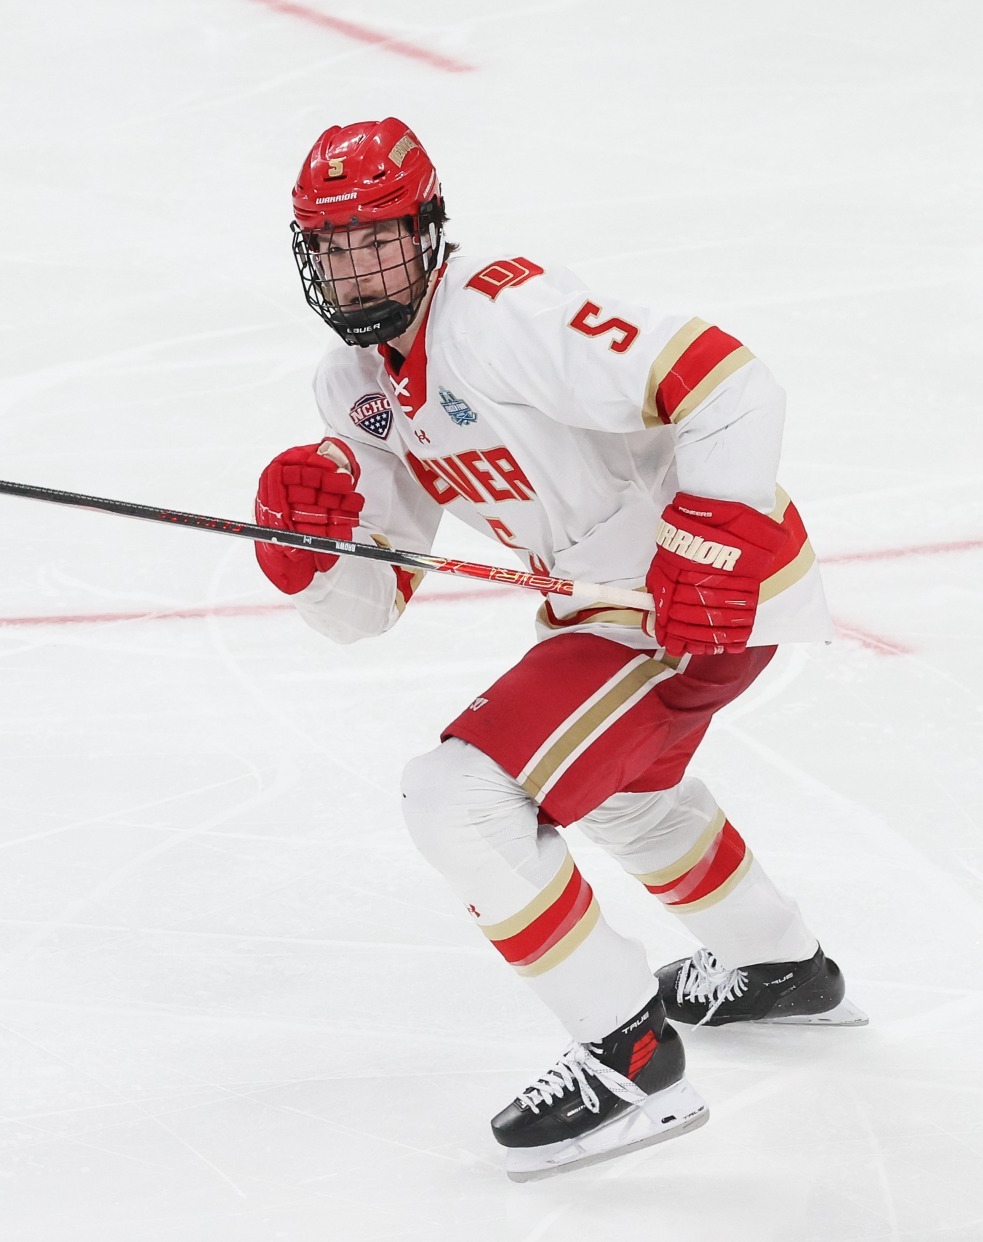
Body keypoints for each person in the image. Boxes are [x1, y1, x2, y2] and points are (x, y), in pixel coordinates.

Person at [254, 118, 865, 1182]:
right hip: (612, 606)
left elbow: (726, 379)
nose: (358, 269)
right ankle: (779, 967)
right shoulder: (348, 385)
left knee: (457, 796)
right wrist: (306, 557)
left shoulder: (497, 312)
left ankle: (629, 1062)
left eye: (378, 239)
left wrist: (704, 539)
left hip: (696, 595)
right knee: (628, 791)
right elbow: (372, 603)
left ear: (428, 230)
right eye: (335, 246)